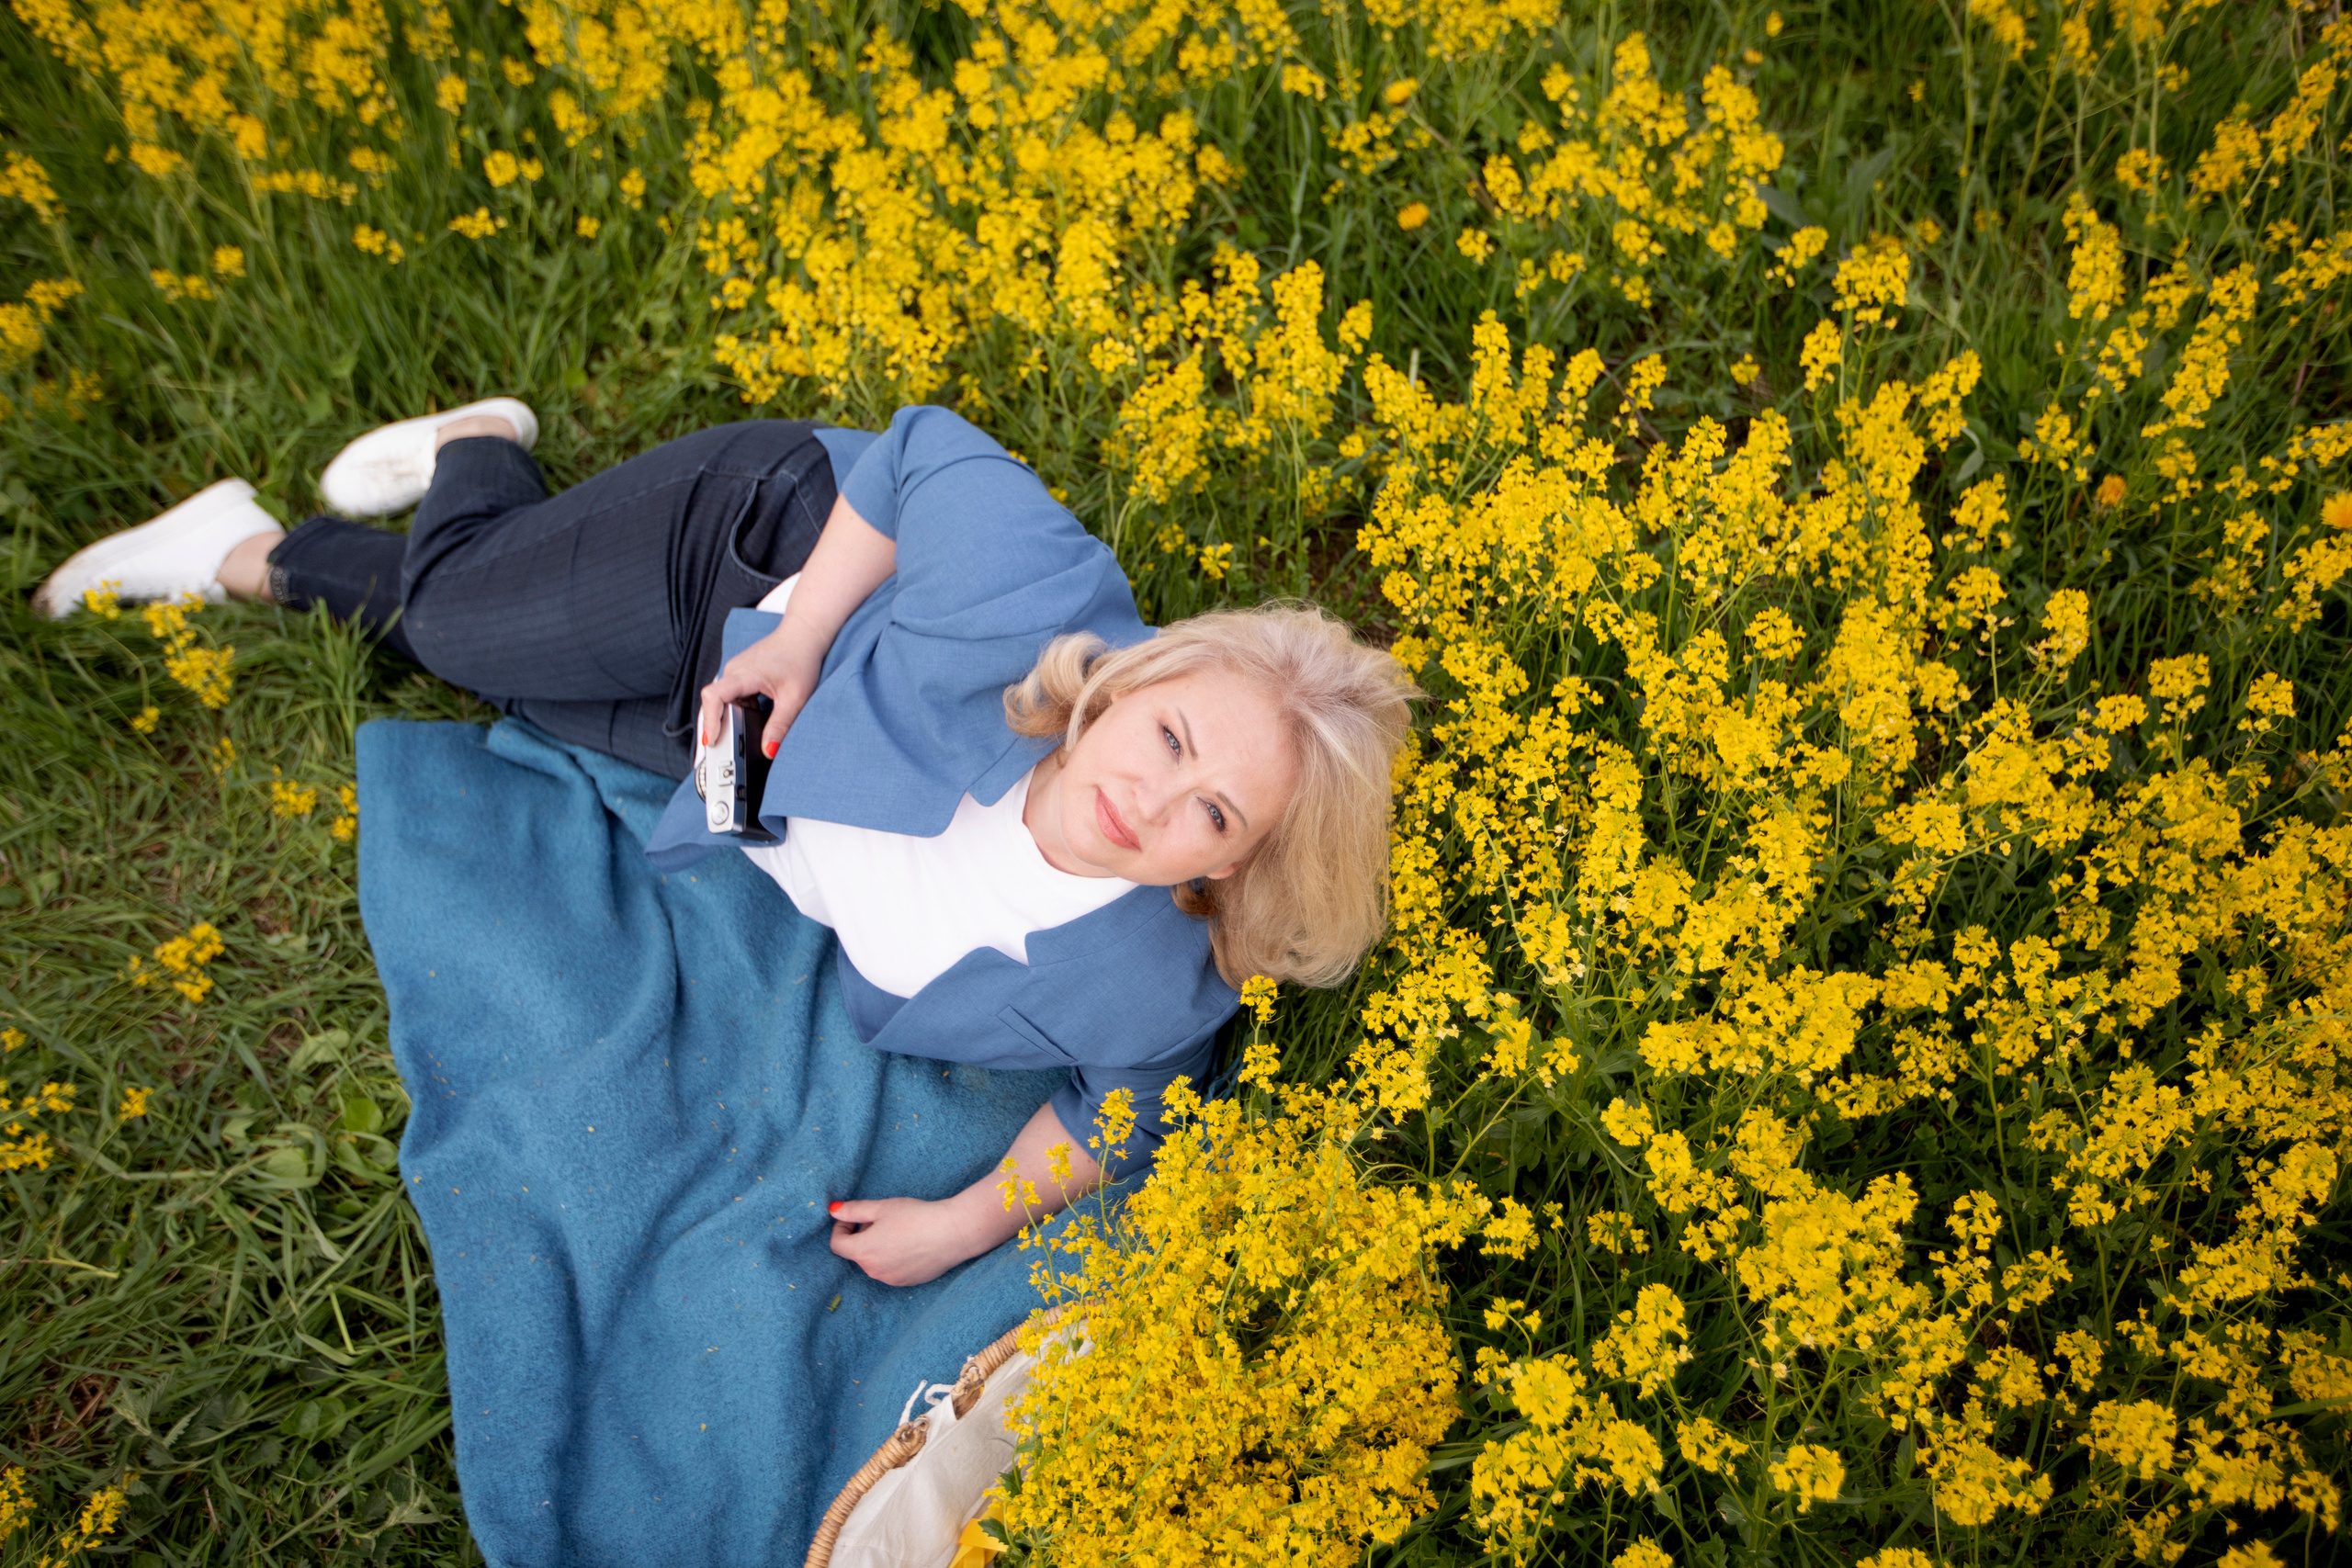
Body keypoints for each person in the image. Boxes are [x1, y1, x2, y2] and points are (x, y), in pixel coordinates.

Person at [37, 399, 1415, 1285]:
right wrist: (804, 640)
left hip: (745, 773)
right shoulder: (1038, 599)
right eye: (1168, 740)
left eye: (1215, 816)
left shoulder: (1158, 977)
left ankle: (446, 520)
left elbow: (1128, 1105)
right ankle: (378, 494)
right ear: (1130, 683)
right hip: (747, 559)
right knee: (461, 627)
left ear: (1229, 865)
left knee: (521, 682)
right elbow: (923, 449)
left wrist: (967, 1223)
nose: (1153, 804)